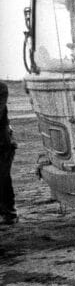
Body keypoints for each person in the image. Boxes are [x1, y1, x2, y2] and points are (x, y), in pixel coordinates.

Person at [0, 81, 17, 226]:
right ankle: (8, 212)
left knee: (2, 178)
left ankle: (9, 213)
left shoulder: (1, 87)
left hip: (2, 144)